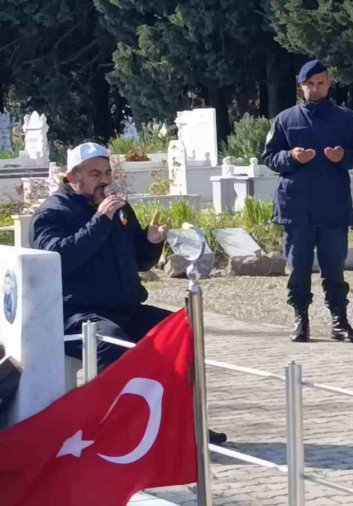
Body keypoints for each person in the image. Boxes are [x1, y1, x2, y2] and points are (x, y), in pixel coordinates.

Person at [31, 142, 227, 444]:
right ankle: (120, 434)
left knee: (182, 333)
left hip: (126, 307)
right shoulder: (52, 213)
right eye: (95, 174)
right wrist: (99, 221)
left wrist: (151, 241)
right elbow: (58, 260)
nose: (105, 180)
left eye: (108, 172)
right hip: (75, 314)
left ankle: (186, 422)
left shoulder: (119, 207)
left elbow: (140, 261)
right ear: (73, 177)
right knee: (114, 343)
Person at [262, 59, 353, 344]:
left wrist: (343, 156)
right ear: (301, 86)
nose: (315, 88)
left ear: (329, 84)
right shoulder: (285, 119)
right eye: (310, 84)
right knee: (298, 268)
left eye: (321, 83)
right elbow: (269, 157)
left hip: (332, 207)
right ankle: (300, 319)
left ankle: (339, 321)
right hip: (296, 209)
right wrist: (291, 157)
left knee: (334, 268)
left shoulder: (346, 119)